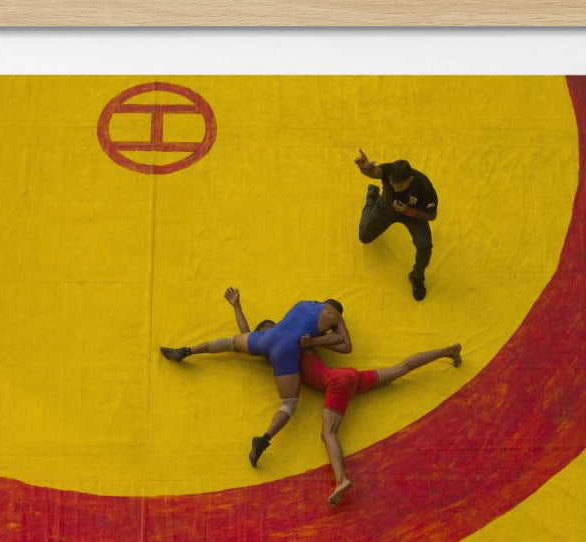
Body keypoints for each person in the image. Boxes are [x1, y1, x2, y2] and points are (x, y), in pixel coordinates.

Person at [229, 289, 461, 507]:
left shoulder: (287, 349)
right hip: (349, 377)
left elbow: (246, 338)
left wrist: (240, 310)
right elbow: (248, 336)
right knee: (401, 368)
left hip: (336, 383)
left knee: (327, 433)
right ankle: (447, 350)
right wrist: (237, 306)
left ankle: (342, 479)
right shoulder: (296, 340)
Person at [159, 288, 351, 466]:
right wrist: (319, 339)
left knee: (230, 342)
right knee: (288, 404)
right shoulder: (333, 314)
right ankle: (264, 439)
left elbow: (246, 334)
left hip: (266, 340)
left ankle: (186, 350)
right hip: (286, 351)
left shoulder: (301, 304)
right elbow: (346, 346)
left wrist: (237, 306)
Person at [354, 150, 439, 301]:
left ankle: (417, 277)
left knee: (425, 246)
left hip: (414, 216)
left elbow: (432, 216)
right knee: (364, 237)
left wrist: (408, 211)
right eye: (392, 184)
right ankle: (372, 198)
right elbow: (375, 172)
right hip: (386, 208)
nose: (394, 188)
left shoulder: (425, 188)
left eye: (400, 186)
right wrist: (364, 168)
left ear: (410, 179)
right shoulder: (389, 171)